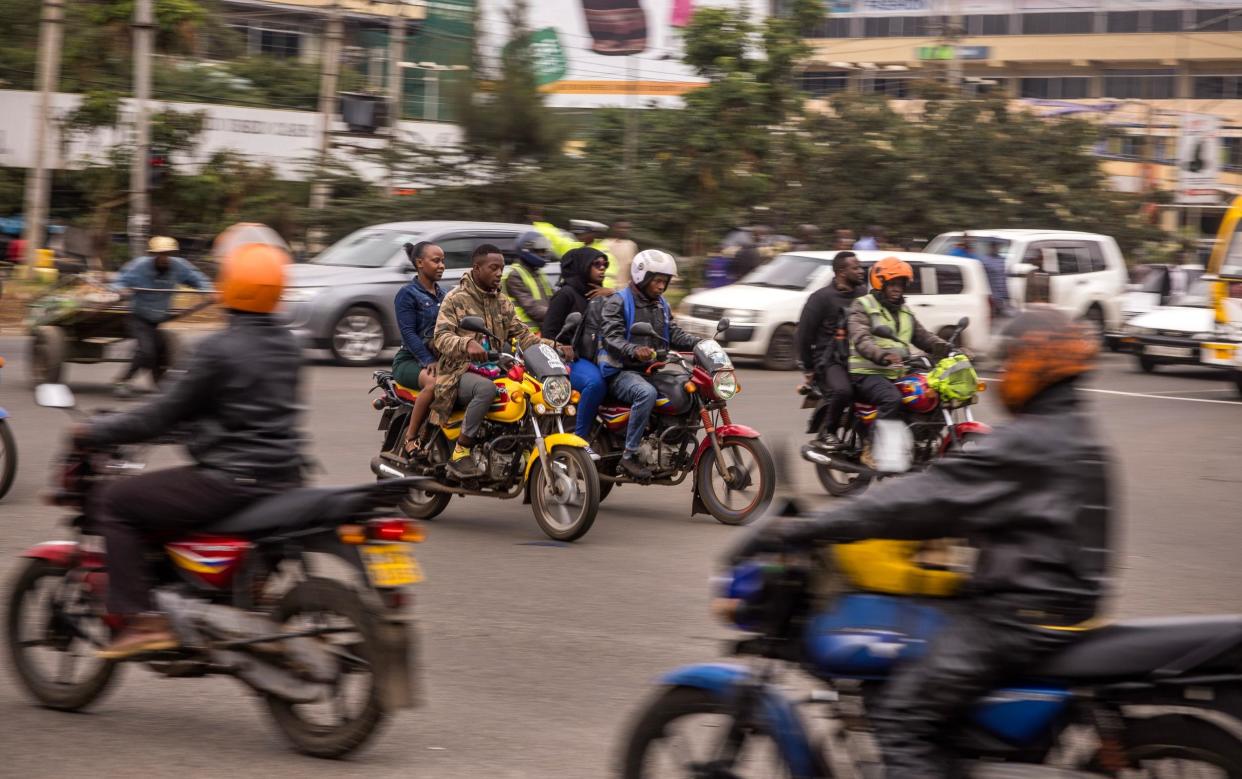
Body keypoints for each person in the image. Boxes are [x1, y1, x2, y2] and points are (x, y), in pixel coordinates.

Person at [749, 308, 1110, 778]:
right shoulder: (1075, 433)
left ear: (1035, 367)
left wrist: (810, 527)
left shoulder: (1029, 442)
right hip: (1060, 605)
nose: (1003, 373)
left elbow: (921, 496)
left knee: (901, 716)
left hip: (1019, 617)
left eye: (1011, 361)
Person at [76, 242, 303, 660]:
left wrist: (96, 429)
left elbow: (159, 413)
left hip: (232, 480)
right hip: (286, 476)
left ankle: (142, 620)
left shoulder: (216, 348)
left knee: (115, 500)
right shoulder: (288, 345)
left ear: (230, 285)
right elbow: (241, 411)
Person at [431, 244, 574, 479]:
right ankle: (461, 451)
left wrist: (555, 347)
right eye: (493, 268)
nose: (499, 273)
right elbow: (441, 337)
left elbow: (524, 335)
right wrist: (466, 344)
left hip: (495, 367)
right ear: (477, 268)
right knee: (486, 389)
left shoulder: (503, 301)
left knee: (529, 391)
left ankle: (518, 447)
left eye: (502, 268)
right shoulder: (455, 299)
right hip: (459, 370)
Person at [598, 249, 702, 480]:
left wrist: (701, 343)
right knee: (646, 393)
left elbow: (673, 333)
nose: (661, 287)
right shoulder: (618, 301)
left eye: (665, 282)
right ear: (641, 277)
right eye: (657, 281)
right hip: (620, 371)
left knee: (690, 390)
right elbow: (611, 338)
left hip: (650, 370)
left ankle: (671, 446)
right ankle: (629, 454)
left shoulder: (661, 305)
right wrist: (634, 350)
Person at [847, 257, 952, 447]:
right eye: (893, 284)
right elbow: (861, 338)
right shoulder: (863, 305)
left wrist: (952, 350)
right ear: (882, 283)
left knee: (935, 391)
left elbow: (924, 337)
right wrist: (882, 355)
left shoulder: (904, 311)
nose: (897, 288)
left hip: (896, 373)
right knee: (892, 399)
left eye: (901, 284)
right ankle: (871, 447)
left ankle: (917, 442)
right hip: (867, 373)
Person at [111, 236, 213, 398]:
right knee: (146, 352)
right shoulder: (139, 266)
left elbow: (198, 278)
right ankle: (122, 381)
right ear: (153, 255)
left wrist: (207, 291)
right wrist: (121, 290)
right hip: (138, 316)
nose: (165, 258)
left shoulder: (179, 266)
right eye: (161, 254)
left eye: (168, 254)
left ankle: (163, 383)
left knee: (157, 351)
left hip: (158, 318)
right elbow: (119, 282)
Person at [794, 251, 867, 449]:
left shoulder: (863, 294)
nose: (861, 271)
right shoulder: (820, 298)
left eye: (860, 267)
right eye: (856, 268)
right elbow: (803, 336)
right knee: (843, 391)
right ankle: (828, 431)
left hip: (859, 358)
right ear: (841, 272)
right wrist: (809, 369)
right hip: (829, 361)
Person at [543, 247, 610, 456]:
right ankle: (579, 442)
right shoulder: (566, 295)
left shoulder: (601, 295)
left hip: (596, 356)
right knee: (595, 383)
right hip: (568, 359)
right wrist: (561, 347)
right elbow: (548, 334)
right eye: (596, 265)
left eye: (604, 265)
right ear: (582, 266)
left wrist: (614, 294)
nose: (602, 269)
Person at [391, 241, 447, 458]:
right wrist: (426, 359)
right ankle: (411, 438)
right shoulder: (407, 294)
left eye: (443, 260)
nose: (441, 265)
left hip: (439, 359)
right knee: (433, 383)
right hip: (410, 361)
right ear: (420, 263)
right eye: (436, 260)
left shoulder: (443, 295)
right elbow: (408, 333)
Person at [532, 218, 618, 287]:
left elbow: (608, 277)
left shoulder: (603, 253)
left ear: (594, 234)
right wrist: (538, 222)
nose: (578, 236)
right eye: (576, 233)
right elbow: (555, 238)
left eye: (582, 233)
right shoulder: (574, 247)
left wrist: (602, 289)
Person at [502, 229, 556, 334]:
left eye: (544, 250)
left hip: (542, 330)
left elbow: (553, 299)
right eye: (539, 251)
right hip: (525, 335)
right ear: (526, 250)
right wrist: (558, 315)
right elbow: (532, 308)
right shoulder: (515, 275)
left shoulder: (538, 274)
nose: (543, 254)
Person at [602, 219, 638, 291]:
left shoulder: (632, 245)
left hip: (625, 288)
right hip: (606, 287)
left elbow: (634, 267)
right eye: (621, 227)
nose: (623, 230)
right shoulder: (605, 244)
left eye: (626, 228)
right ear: (614, 228)